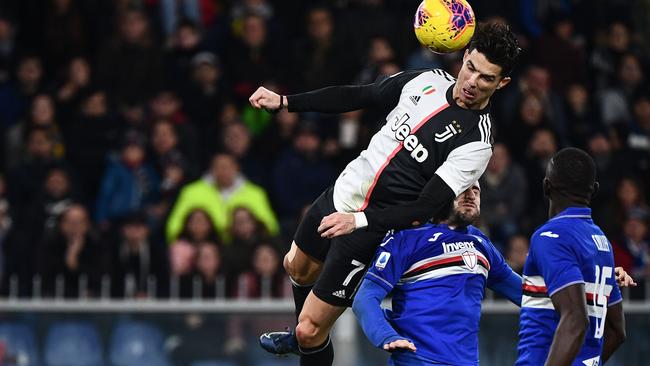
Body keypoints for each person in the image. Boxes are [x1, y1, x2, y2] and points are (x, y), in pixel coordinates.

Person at [251, 23, 521, 365]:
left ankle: (308, 337)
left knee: (309, 331)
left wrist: (358, 221)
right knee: (296, 268)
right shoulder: (427, 80)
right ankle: (305, 336)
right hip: (344, 192)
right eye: (471, 68)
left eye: (486, 79)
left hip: (370, 228)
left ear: (502, 83)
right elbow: (360, 95)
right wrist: (286, 102)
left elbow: (423, 208)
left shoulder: (476, 143)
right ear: (464, 57)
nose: (472, 82)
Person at [352, 182, 522, 365]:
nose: (471, 195)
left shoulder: (481, 243)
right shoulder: (407, 238)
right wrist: (386, 336)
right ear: (441, 192)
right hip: (416, 359)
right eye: (464, 188)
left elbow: (526, 292)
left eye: (476, 190)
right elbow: (365, 297)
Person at [516, 148, 628, 365]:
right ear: (594, 190)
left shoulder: (549, 237)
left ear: (546, 186)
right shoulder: (601, 241)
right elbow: (617, 330)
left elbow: (576, 319)